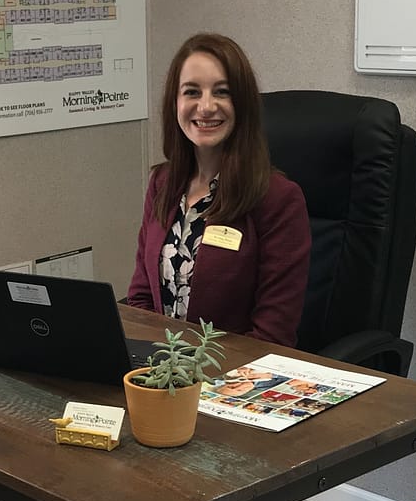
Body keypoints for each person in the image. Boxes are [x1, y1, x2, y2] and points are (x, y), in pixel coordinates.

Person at [127, 33, 311, 347]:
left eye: (222, 92)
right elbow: (141, 301)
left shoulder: (278, 200)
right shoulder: (162, 184)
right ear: (176, 102)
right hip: (160, 373)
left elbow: (272, 336)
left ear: (242, 105)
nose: (206, 106)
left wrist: (200, 378)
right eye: (192, 92)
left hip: (231, 380)